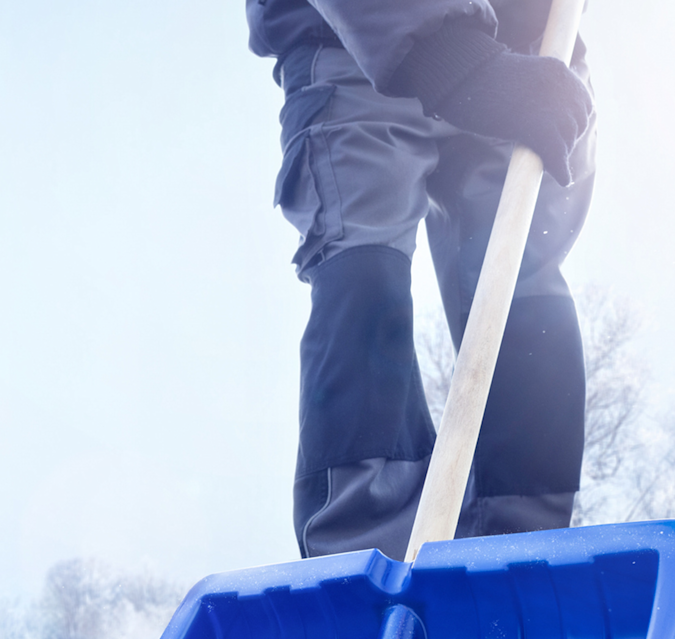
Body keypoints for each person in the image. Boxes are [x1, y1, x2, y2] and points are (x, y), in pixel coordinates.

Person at [246, 0, 595, 559]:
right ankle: (365, 555)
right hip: (357, 34)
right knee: (364, 261)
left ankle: (520, 557)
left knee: (522, 288)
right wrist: (457, 63)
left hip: (534, 49)